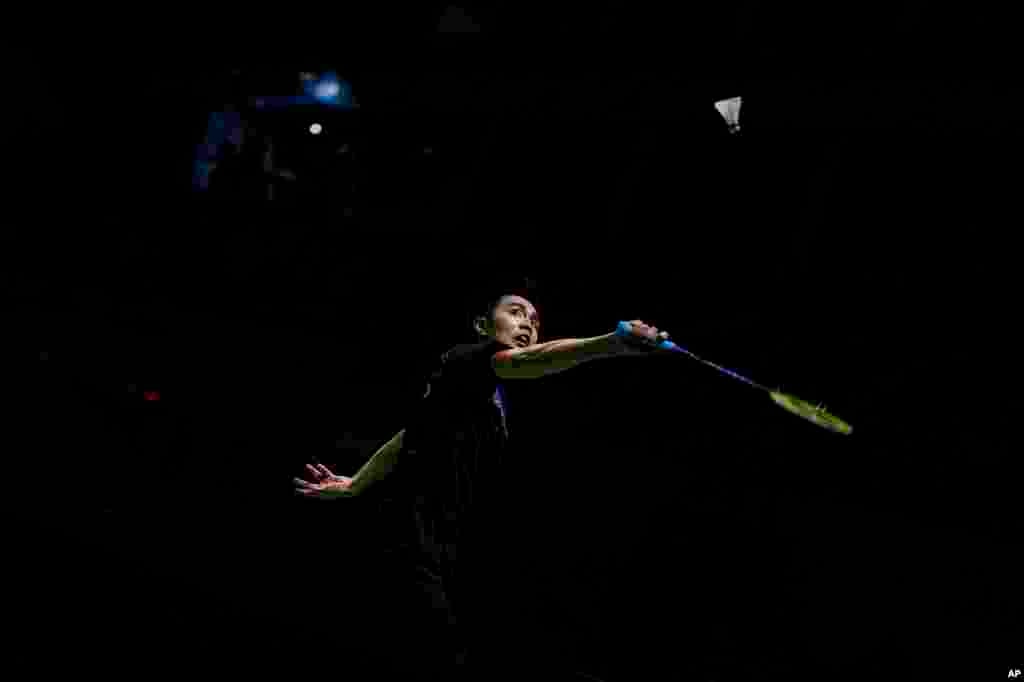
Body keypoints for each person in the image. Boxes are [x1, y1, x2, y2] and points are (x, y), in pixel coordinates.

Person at [293, 290, 671, 680]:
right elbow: (529, 360)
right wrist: (612, 344)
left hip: (452, 553)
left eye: (536, 320)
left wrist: (356, 482)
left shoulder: (483, 401)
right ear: (482, 325)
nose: (528, 323)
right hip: (408, 545)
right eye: (516, 312)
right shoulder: (463, 360)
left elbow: (410, 436)